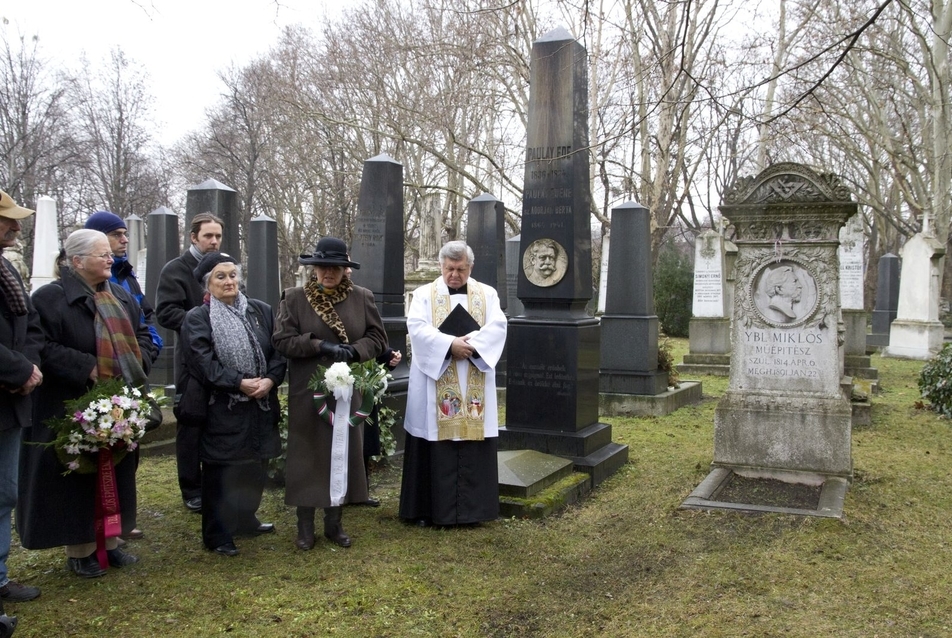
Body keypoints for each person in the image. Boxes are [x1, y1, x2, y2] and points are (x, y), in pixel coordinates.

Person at [19, 229, 158, 578]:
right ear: (77, 261)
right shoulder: (49, 299)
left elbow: (142, 332)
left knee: (117, 471)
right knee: (77, 475)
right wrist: (87, 368)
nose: (110, 259)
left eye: (109, 254)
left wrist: (137, 361)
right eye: (102, 255)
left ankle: (111, 542)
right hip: (70, 402)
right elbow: (42, 346)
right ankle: (79, 549)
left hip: (119, 399)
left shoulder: (120, 295)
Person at [273, 237, 387, 550]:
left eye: (335, 268)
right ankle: (305, 526)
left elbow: (378, 338)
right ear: (314, 268)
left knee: (343, 452)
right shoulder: (295, 298)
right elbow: (282, 340)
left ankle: (334, 523)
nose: (328, 273)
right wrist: (319, 345)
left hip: (346, 391)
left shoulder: (362, 297)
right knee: (307, 456)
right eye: (323, 267)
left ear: (344, 270)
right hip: (307, 390)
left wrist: (354, 351)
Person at [182, 252, 286, 556]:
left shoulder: (260, 310)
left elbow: (278, 352)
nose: (229, 282)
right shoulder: (198, 318)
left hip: (261, 404)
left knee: (256, 466)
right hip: (222, 407)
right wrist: (238, 381)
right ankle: (218, 534)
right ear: (207, 284)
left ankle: (245, 518)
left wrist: (269, 380)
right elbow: (202, 362)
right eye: (220, 277)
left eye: (232, 275)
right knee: (222, 471)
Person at [399, 240, 507, 527]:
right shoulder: (424, 294)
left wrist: (469, 347)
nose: (454, 275)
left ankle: (474, 511)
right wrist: (449, 345)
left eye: (460, 269)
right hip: (436, 380)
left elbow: (498, 326)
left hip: (474, 375)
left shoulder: (488, 294)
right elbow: (417, 328)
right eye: (449, 269)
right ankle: (428, 510)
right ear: (441, 266)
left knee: (473, 439)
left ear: (470, 267)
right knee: (434, 439)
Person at [84, 211, 162, 541]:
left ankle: (122, 520)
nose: (124, 240)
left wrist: (141, 357)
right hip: (97, 379)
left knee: (128, 454)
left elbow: (146, 321)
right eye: (116, 235)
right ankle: (96, 529)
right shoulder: (91, 281)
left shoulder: (127, 277)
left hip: (130, 375)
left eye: (123, 235)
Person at [155, 212, 223, 513]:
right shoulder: (176, 269)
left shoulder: (224, 267)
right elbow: (166, 312)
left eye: (218, 236)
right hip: (191, 361)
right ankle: (191, 487)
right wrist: (201, 321)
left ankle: (217, 482)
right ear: (193, 237)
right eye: (208, 236)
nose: (214, 241)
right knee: (191, 422)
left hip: (222, 357)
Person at [0, 191, 43, 605]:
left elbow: (28, 325)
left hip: (10, 400)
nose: (16, 226)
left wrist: (27, 369)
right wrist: (17, 370)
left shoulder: (6, 271)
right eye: (8, 220)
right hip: (7, 385)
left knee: (5, 492)